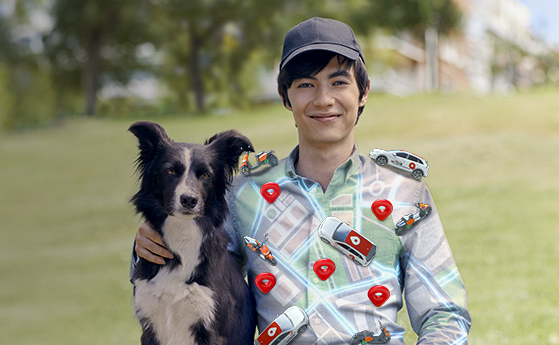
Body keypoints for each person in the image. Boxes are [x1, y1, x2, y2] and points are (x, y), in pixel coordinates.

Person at [132, 17, 470, 344]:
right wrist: (151, 242)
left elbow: (444, 312)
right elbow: (192, 280)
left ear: (364, 91)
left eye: (339, 82)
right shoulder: (244, 194)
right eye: (306, 84)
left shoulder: (404, 192)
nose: (323, 99)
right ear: (285, 95)